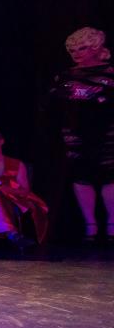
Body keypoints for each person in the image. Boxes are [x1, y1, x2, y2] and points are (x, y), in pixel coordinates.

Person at [50, 27, 114, 242]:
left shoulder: (110, 72)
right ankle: (90, 225)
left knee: (109, 175)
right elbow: (54, 98)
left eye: (82, 48)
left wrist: (97, 96)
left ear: (96, 47)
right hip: (75, 131)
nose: (76, 53)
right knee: (81, 175)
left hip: (107, 131)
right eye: (72, 50)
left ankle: (112, 224)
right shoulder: (65, 75)